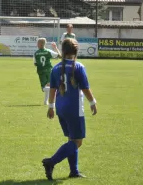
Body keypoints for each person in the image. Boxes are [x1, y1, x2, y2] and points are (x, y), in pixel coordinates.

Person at [42, 38, 98, 180]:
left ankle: (74, 171)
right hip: (74, 108)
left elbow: (53, 89)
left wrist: (51, 106)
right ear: (75, 51)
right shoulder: (78, 67)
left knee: (71, 139)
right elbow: (85, 88)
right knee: (77, 141)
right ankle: (51, 162)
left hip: (61, 108)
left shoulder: (56, 68)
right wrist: (92, 102)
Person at [33, 38, 60, 105]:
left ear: (39, 44)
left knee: (44, 88)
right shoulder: (48, 51)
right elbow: (59, 55)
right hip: (49, 70)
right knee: (48, 85)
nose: (37, 44)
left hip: (41, 72)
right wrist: (55, 48)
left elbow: (35, 64)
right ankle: (46, 101)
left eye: (37, 43)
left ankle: (55, 90)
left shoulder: (36, 53)